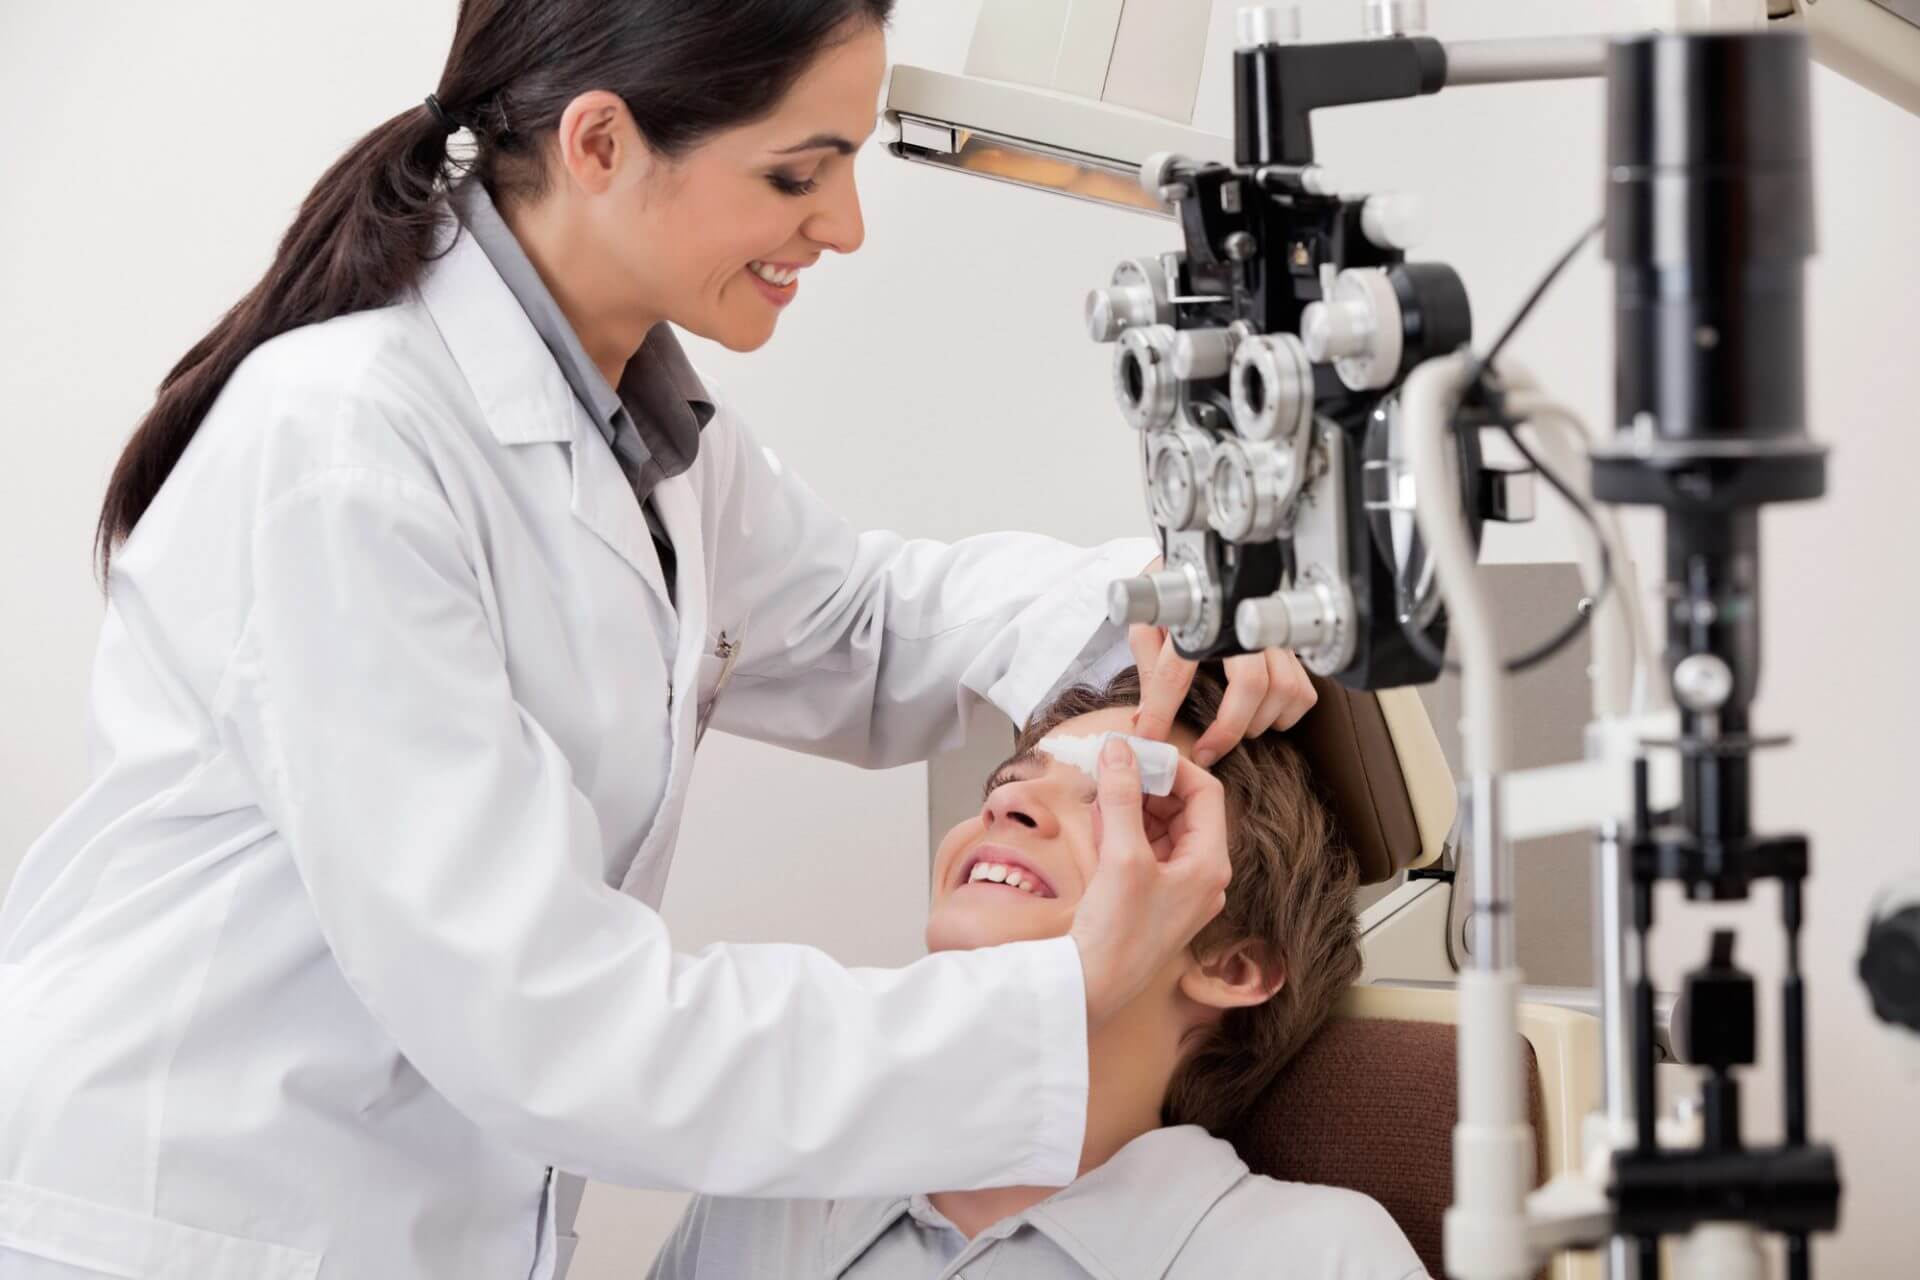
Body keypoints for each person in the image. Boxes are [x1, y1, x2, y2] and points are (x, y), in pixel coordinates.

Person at [0, 3, 1320, 1278]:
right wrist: (1050, 1004)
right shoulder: (345, 450)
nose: (847, 227)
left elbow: (864, 622)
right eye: (799, 172)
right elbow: (550, 1022)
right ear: (600, 144)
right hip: (187, 1216)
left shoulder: (655, 446)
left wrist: (1162, 604)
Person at [647, 666, 1427, 1280]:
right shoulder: (767, 1203)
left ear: (1233, 965)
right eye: (1008, 781)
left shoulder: (1315, 1259)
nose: (1008, 803)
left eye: (1132, 807)